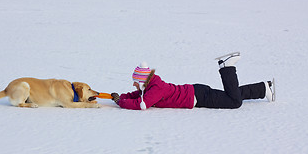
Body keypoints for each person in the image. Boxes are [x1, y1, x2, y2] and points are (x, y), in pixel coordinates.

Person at [110, 52, 274, 110]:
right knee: (232, 96)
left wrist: (121, 103)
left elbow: (142, 104)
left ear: (142, 81)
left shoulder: (156, 89)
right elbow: (137, 95)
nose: (134, 85)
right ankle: (263, 88)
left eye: (136, 82)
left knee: (234, 102)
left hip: (199, 96)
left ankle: (227, 67)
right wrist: (122, 96)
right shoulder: (152, 85)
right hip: (197, 92)